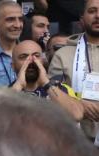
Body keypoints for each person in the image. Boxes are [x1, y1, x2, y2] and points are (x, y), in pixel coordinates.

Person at [48, 0, 99, 143]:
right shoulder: (62, 55)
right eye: (92, 11)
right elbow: (51, 95)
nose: (98, 15)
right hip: (74, 141)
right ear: (82, 19)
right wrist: (79, 105)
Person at [10, 38, 84, 119]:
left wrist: (46, 83)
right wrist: (19, 85)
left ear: (43, 61)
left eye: (36, 56)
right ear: (13, 66)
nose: (31, 61)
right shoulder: (6, 92)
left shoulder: (61, 88)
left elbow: (77, 115)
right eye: (23, 57)